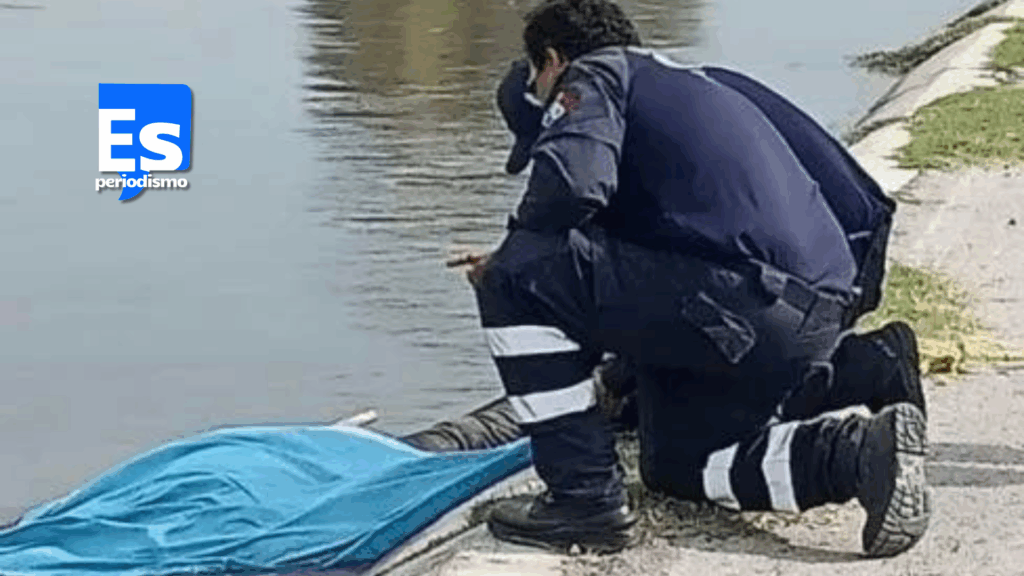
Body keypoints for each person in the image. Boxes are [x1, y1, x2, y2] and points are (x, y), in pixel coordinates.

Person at [463, 0, 930, 559]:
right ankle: (858, 448)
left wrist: (510, 254)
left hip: (744, 304)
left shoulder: (596, 72)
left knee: (517, 272)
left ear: (553, 62)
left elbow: (573, 185)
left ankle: (581, 498)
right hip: (814, 306)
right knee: (677, 464)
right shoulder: (702, 83)